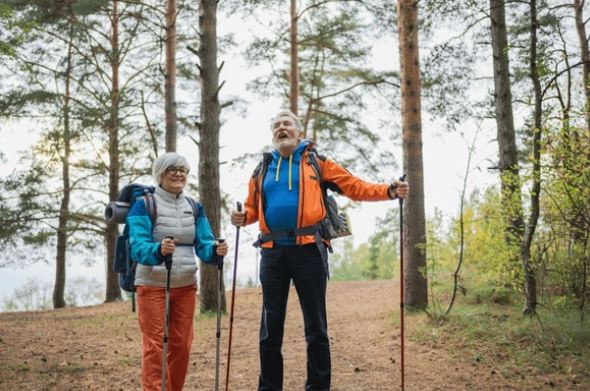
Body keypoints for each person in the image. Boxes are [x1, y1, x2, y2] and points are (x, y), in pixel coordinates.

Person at [230, 110, 409, 391]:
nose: (281, 129)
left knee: (316, 328)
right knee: (270, 328)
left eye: (286, 124)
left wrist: (387, 190)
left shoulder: (317, 162)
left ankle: (317, 387)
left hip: (310, 251)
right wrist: (242, 217)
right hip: (272, 252)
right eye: (276, 126)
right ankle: (269, 388)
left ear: (299, 132)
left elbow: (354, 186)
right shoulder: (262, 168)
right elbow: (252, 208)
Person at [127, 152, 228, 391]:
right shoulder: (144, 205)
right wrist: (158, 249)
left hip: (185, 286)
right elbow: (136, 245)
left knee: (181, 345)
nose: (178, 174)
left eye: (183, 170)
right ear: (160, 174)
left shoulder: (194, 207)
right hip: (152, 284)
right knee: (155, 346)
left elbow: (204, 243)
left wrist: (216, 249)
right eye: (172, 169)